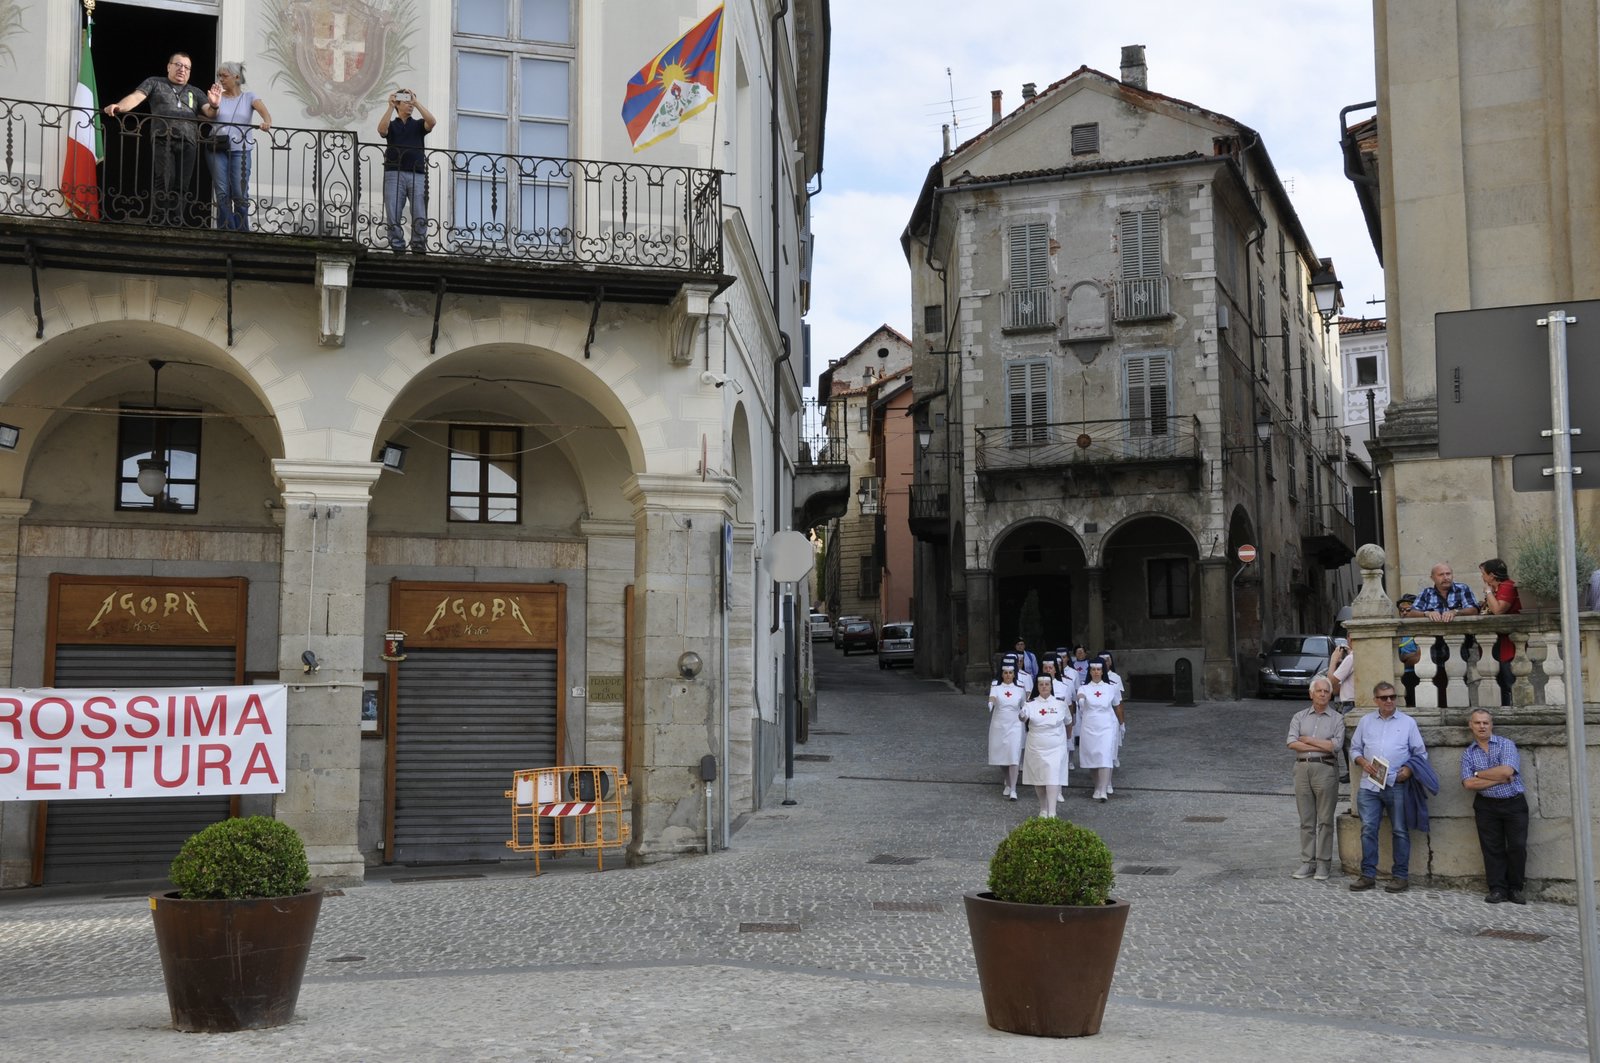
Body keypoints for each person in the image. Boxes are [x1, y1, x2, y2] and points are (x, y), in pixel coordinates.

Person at [103, 52, 221, 226]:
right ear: (169, 66)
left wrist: (215, 104)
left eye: (187, 67)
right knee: (165, 178)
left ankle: (176, 219)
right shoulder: (155, 82)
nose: (182, 70)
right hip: (163, 137)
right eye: (178, 65)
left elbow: (210, 114)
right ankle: (158, 217)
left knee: (182, 183)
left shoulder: (195, 92)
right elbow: (136, 97)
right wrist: (119, 106)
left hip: (189, 141)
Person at [1348, 680, 1428, 893]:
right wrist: (1362, 762)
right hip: (1369, 785)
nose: (1389, 701)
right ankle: (1367, 875)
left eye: (1393, 696)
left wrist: (1408, 771)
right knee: (1368, 830)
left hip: (1396, 784)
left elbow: (1420, 753)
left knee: (1400, 831)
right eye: (1384, 697)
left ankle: (1400, 876)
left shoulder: (1408, 722)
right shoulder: (1366, 722)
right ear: (1376, 700)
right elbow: (1354, 748)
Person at [1461, 709, 1529, 904]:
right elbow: (1468, 784)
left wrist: (1478, 774)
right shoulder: (1468, 753)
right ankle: (1497, 888)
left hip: (1513, 803)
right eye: (1477, 723)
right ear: (1471, 726)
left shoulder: (1506, 745)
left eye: (1485, 723)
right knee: (1491, 848)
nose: (1482, 726)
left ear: (1491, 725)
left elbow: (1508, 770)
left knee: (1517, 846)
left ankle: (1515, 888)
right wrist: (1499, 779)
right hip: (1486, 806)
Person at [1287, 675, 1342, 881]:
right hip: (1302, 769)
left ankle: (1323, 864)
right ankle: (1307, 862)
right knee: (1306, 820)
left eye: (1326, 691)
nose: (1322, 694)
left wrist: (1308, 740)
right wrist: (1321, 744)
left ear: (1331, 694)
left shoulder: (1337, 718)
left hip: (1326, 769)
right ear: (1311, 694)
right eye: (1318, 691)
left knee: (1325, 819)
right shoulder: (1299, 717)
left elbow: (1335, 746)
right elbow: (1292, 743)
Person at [206, 61, 272, 231]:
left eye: (224, 76)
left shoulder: (249, 97)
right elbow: (209, 113)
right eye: (219, 76)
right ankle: (227, 230)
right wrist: (214, 103)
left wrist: (266, 123)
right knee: (222, 192)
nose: (221, 79)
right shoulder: (218, 96)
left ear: (236, 77)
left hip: (241, 151)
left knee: (240, 193)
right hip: (216, 148)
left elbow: (265, 114)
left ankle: (242, 231)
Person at [378, 89, 437, 253]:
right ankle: (397, 246)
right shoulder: (392, 124)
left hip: (416, 172)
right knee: (393, 211)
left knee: (419, 212)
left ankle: (418, 246)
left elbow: (432, 122)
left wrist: (417, 103)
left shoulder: (418, 124)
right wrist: (390, 107)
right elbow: (382, 131)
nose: (410, 105)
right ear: (398, 103)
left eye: (411, 102)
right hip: (393, 172)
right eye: (406, 101)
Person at [1021, 673, 1072, 818]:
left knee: (1053, 777)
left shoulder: (1060, 704)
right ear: (1037, 687)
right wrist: (1022, 716)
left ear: (1051, 686)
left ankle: (1052, 811)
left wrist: (1067, 740)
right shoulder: (1029, 704)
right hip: (1036, 747)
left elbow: (1068, 722)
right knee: (1039, 778)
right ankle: (1043, 808)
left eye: (1047, 684)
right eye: (1041, 684)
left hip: (1056, 746)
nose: (1044, 687)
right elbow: (1023, 716)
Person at [1076, 659, 1123, 802]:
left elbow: (1117, 705)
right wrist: (1081, 700)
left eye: (1098, 669)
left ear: (1102, 671)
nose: (1096, 672)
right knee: (1093, 756)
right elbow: (1080, 698)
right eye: (1093, 670)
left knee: (1104, 755)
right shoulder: (1084, 688)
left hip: (1107, 725)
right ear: (1090, 672)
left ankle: (1103, 789)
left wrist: (1121, 723)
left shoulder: (1111, 688)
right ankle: (1097, 786)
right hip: (1090, 725)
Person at [1479, 558, 1522, 706]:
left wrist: (1488, 592)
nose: (1482, 578)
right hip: (1495, 641)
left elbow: (1498, 610)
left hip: (1508, 642)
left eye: (1483, 574)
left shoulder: (1507, 586)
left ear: (1492, 575)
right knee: (1499, 681)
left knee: (1509, 678)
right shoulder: (1496, 589)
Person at [986, 661, 1028, 801]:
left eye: (1010, 673)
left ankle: (1014, 789)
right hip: (999, 724)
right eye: (1006, 673)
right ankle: (1008, 782)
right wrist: (991, 703)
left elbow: (1024, 705)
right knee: (1001, 756)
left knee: (1014, 755)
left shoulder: (1019, 689)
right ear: (1002, 674)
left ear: (1014, 674)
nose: (1008, 675)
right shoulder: (996, 687)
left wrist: (1024, 714)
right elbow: (992, 697)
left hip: (1015, 725)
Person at [1412, 562, 1480, 620]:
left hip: (1461, 633)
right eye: (1441, 575)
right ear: (1432, 578)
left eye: (1448, 574)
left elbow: (1474, 610)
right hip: (1434, 633)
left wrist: (1455, 612)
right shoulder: (1426, 593)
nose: (1446, 578)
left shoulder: (1462, 589)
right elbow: (1412, 612)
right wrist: (1427, 613)